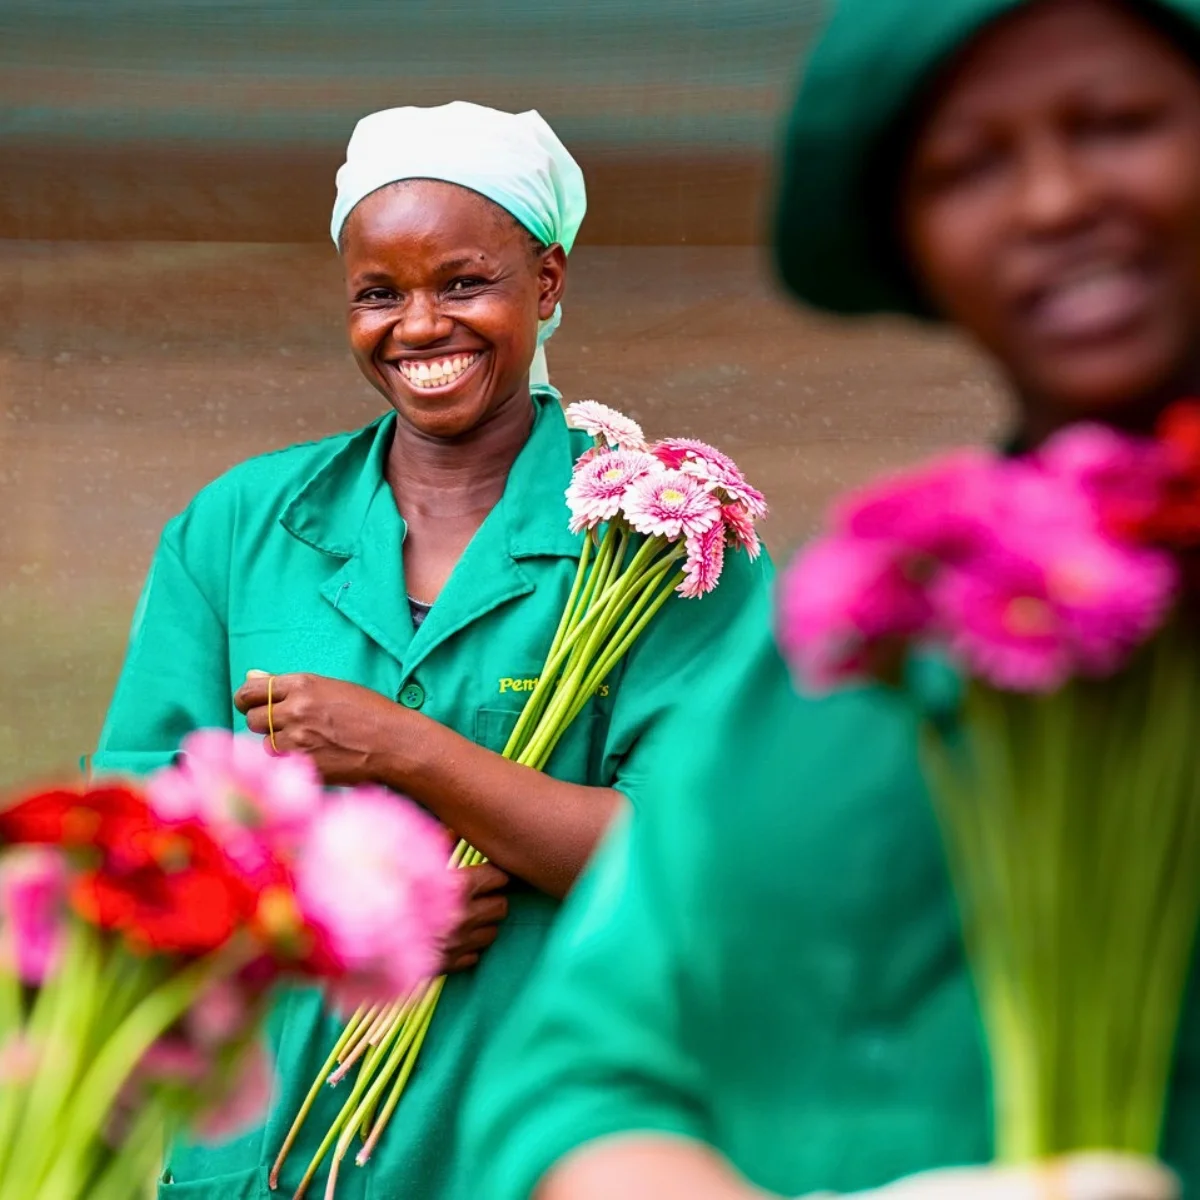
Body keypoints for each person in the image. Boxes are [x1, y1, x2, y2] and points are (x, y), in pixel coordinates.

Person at [459, 2, 1200, 1197]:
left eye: (1119, 123)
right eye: (967, 166)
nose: (1054, 201)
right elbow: (582, 1077)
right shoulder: (829, 645)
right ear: (912, 242)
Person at [91, 101, 773, 1199]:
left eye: (463, 283)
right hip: (269, 1149)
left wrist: (411, 752)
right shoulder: (238, 527)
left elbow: (710, 864)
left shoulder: (663, 545)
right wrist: (343, 905)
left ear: (546, 282)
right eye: (377, 293)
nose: (417, 327)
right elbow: (124, 848)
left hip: (542, 1142)